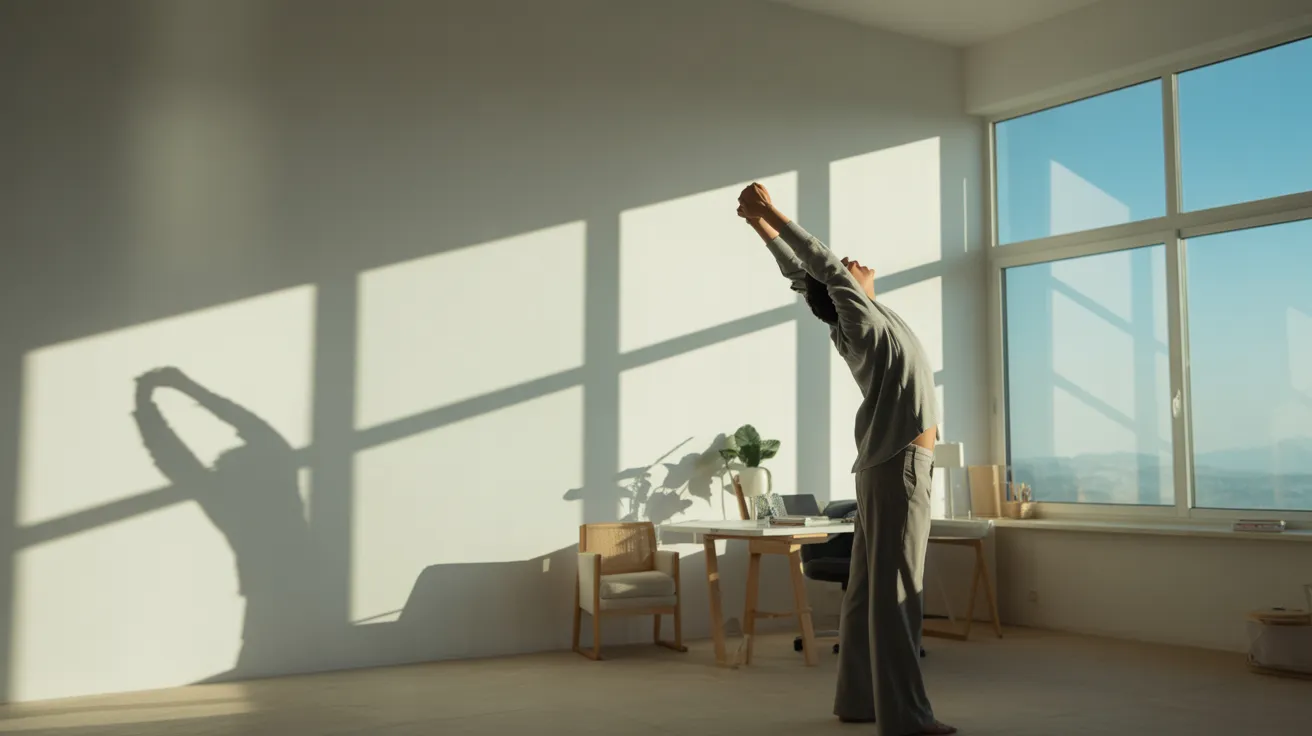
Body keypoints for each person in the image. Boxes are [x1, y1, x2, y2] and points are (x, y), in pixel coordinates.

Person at [737, 183, 955, 736]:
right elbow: (821, 266)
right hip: (902, 468)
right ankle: (907, 718)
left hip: (887, 466)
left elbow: (803, 276)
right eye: (844, 270)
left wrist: (757, 228)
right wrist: (771, 214)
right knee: (900, 594)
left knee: (866, 592)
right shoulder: (857, 319)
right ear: (841, 292)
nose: (852, 263)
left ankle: (858, 700)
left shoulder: (865, 318)